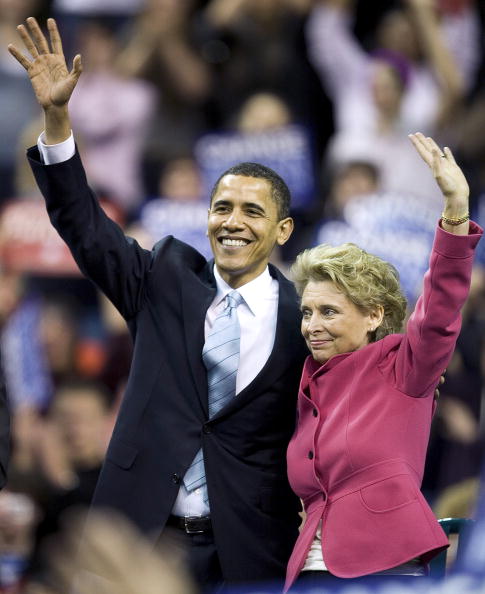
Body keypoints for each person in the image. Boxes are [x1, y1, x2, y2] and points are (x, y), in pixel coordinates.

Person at [8, 17, 308, 591]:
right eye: (222, 207)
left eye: (252, 211)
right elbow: (84, 226)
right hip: (140, 539)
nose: (233, 222)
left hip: (246, 548)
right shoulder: (165, 280)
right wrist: (56, 120)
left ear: (284, 229)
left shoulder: (305, 319)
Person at [284, 132, 482, 592]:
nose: (313, 324)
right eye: (307, 312)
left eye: (329, 311)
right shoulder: (310, 383)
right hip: (309, 574)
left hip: (384, 568)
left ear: (374, 315)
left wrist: (454, 211)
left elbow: (438, 313)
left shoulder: (402, 366)